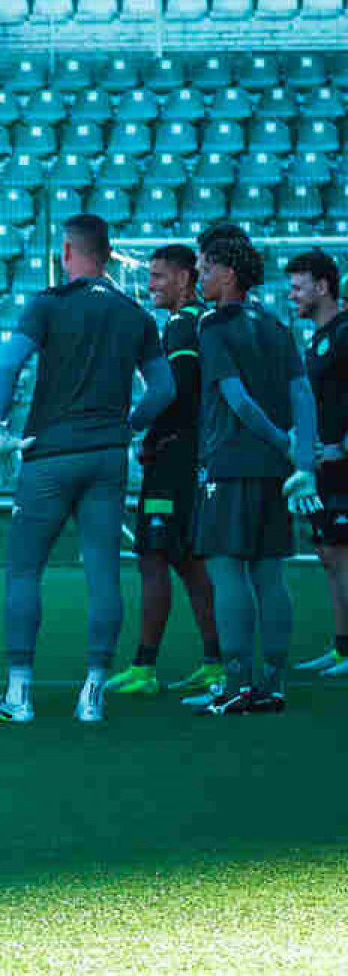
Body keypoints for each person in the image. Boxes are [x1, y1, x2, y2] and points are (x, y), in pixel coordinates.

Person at [0, 214, 174, 725]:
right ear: (108, 254)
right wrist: (129, 426)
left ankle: (19, 693)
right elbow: (164, 389)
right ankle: (93, 692)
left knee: (25, 569)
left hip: (50, 454)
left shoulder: (48, 303)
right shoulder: (134, 313)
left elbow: (9, 366)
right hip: (106, 456)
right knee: (103, 571)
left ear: (66, 251)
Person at [190, 227, 319, 715]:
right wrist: (300, 460)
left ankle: (236, 685)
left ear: (228, 273)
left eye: (205, 269)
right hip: (275, 473)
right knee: (270, 574)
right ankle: (273, 685)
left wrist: (282, 443)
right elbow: (302, 395)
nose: (199, 277)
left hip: (229, 464)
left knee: (228, 573)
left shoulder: (212, 325)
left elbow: (237, 400)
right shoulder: (276, 325)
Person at [104, 245, 223, 696]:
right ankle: (215, 662)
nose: (150, 284)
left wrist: (144, 431)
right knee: (189, 560)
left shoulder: (181, 324)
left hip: (174, 459)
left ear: (184, 278)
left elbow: (176, 391)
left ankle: (144, 668)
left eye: (158, 276)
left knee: (153, 556)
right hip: (190, 455)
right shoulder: (199, 320)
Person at [288, 249, 348, 678]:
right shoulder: (317, 339)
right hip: (325, 467)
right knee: (329, 554)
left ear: (323, 286)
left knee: (342, 555)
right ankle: (342, 646)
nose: (291, 295)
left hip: (342, 464)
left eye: (298, 287)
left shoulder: (345, 333)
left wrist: (343, 443)